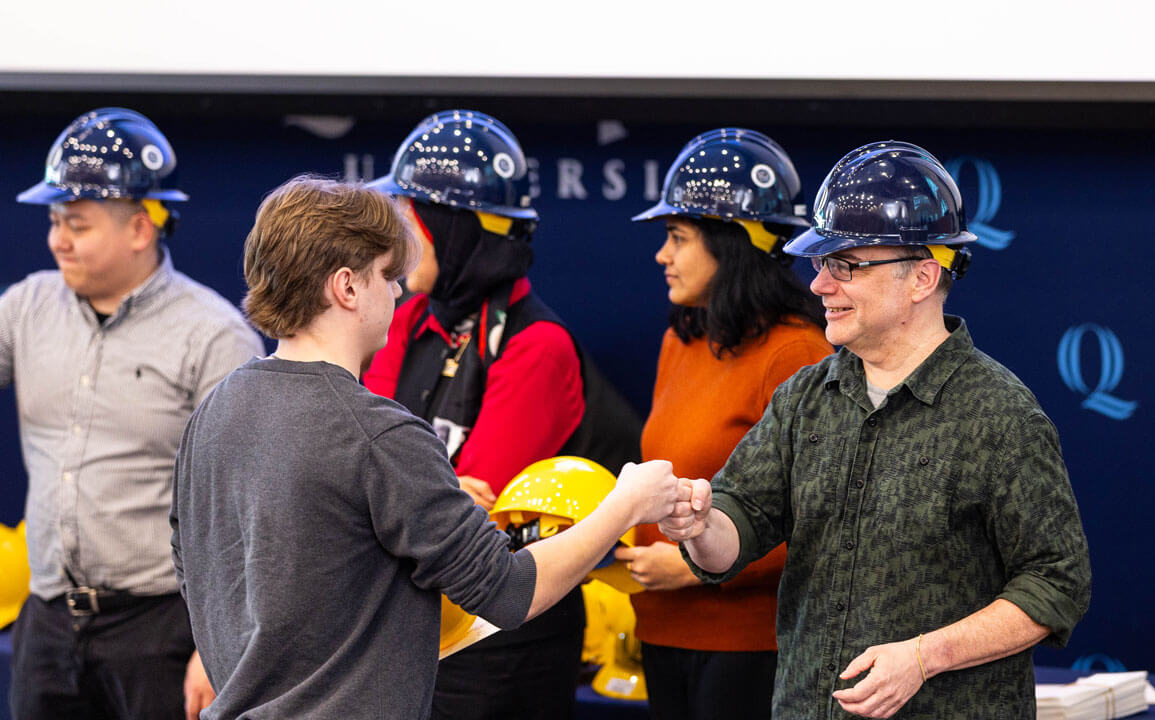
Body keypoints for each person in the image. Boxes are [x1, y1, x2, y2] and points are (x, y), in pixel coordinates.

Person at [169, 175, 683, 720]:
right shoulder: (378, 434)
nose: (398, 291)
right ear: (346, 287)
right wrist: (626, 503)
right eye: (387, 276)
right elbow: (510, 592)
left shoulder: (213, 411)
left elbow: (193, 561)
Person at [661, 141, 1091, 719]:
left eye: (847, 266)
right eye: (821, 265)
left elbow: (1056, 583)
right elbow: (740, 524)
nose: (819, 286)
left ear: (921, 277)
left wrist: (924, 657)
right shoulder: (806, 398)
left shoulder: (1000, 415)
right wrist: (699, 525)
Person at [363, 109, 642, 719]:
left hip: (505, 645)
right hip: (416, 632)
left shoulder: (538, 344)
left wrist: (401, 502)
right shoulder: (408, 318)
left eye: (411, 217)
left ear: (456, 227)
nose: (397, 238)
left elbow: (465, 518)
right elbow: (373, 463)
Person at [2, 107, 264, 720]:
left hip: (161, 630)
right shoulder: (26, 307)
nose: (56, 239)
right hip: (44, 625)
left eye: (77, 223)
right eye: (53, 220)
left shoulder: (214, 336)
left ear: (141, 229)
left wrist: (217, 642)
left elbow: (247, 503)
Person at [615, 128, 831, 720]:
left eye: (678, 237)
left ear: (731, 243)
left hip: (749, 647)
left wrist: (691, 569)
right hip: (661, 633)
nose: (663, 255)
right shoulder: (681, 340)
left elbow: (822, 526)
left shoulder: (797, 353)